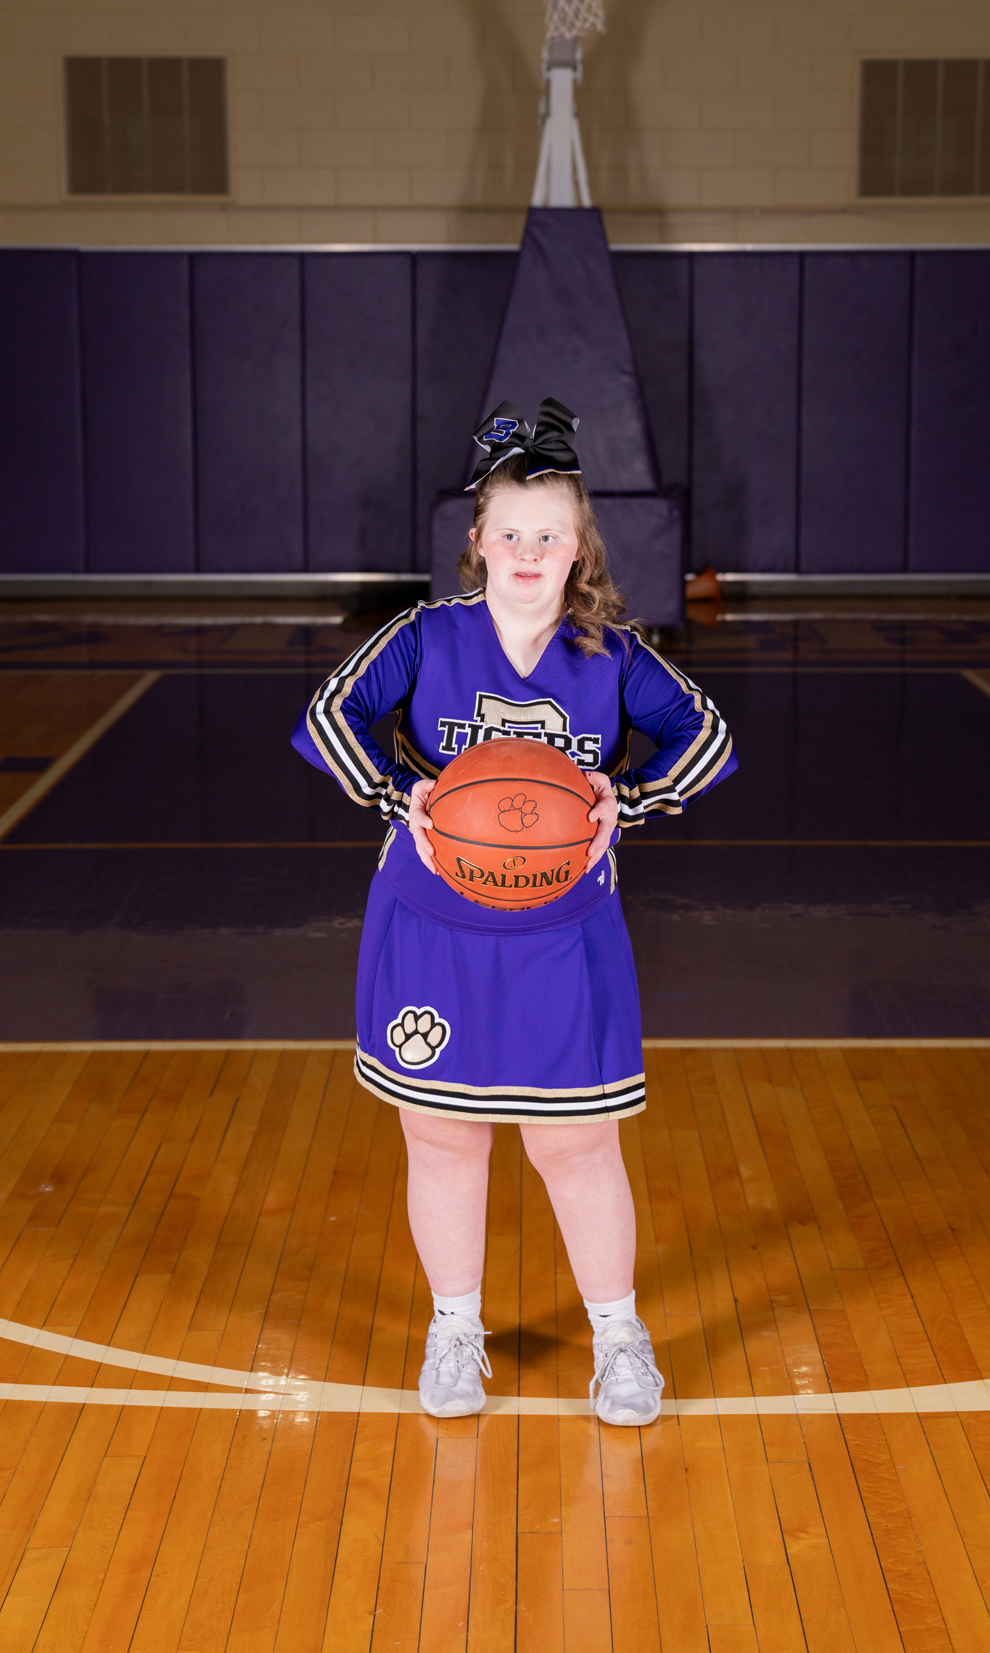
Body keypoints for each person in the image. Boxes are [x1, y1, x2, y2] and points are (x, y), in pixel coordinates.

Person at [291, 398, 736, 1427]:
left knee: (573, 1145)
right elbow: (325, 717)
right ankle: (455, 1329)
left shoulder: (612, 655)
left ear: (579, 549)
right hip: (430, 924)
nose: (528, 552)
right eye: (509, 533)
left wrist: (630, 797)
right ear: (477, 543)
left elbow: (708, 738)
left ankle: (618, 1338)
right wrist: (399, 795)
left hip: (562, 931)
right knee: (444, 1137)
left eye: (549, 535)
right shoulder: (423, 637)